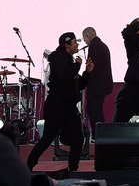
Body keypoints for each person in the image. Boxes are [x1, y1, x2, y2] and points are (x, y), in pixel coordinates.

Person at [26, 32, 93, 172]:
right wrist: (78, 65)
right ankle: (28, 166)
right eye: (75, 42)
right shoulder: (59, 59)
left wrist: (87, 73)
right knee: (47, 139)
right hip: (57, 106)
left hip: (69, 106)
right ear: (67, 45)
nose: (77, 45)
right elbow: (65, 76)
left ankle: (73, 169)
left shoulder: (69, 60)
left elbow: (78, 85)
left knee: (78, 138)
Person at [81, 26, 113, 140]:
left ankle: (98, 135)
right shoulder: (102, 45)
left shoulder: (94, 46)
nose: (85, 42)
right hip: (104, 83)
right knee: (93, 109)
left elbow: (92, 66)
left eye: (84, 39)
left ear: (88, 36)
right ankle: (98, 134)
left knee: (94, 110)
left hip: (97, 84)